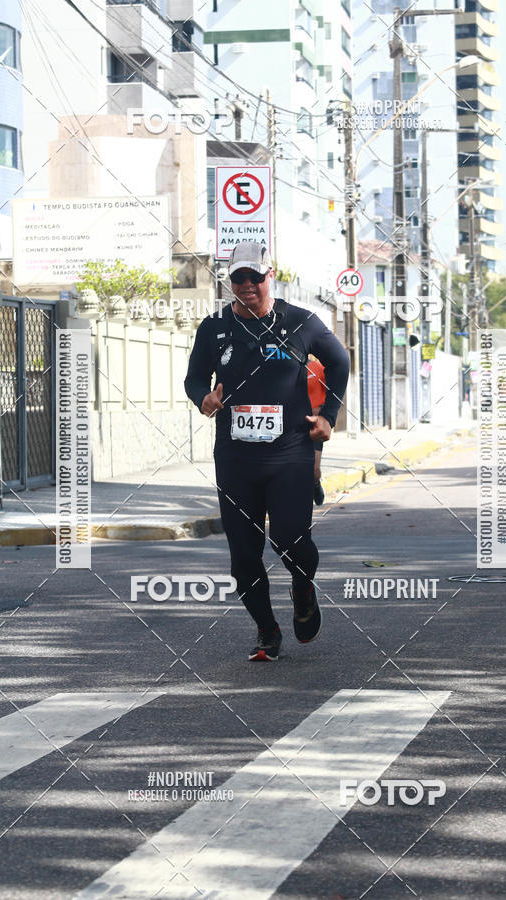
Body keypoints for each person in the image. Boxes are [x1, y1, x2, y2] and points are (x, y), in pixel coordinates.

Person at [185, 241, 350, 661]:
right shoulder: (213, 326)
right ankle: (267, 631)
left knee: (290, 538)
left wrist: (328, 415)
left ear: (268, 276)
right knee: (243, 556)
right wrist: (203, 398)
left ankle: (302, 585)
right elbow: (193, 380)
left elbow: (339, 361)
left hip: (290, 453)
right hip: (236, 458)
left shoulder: (300, 322)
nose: (246, 286)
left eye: (253, 278)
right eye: (237, 278)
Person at [307, 354, 326, 505]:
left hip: (314, 425)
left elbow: (332, 393)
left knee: (313, 470)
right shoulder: (286, 368)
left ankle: (316, 484)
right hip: (291, 425)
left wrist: (322, 411)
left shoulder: (317, 368)